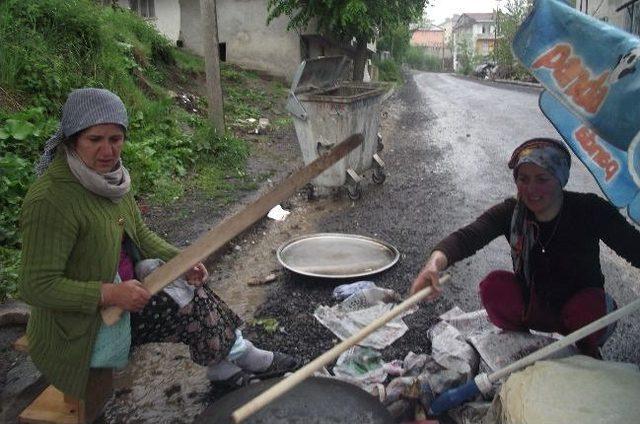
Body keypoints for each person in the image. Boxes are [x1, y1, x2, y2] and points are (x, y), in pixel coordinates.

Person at [19, 88, 296, 400]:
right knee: (187, 305)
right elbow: (35, 286)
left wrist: (183, 260)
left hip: (126, 286)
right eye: (95, 139)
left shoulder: (111, 180)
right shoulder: (52, 200)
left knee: (191, 285)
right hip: (82, 320)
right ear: (71, 139)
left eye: (115, 138)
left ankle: (229, 364)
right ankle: (237, 360)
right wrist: (110, 293)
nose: (107, 150)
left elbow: (142, 236)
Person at [411, 137, 640, 358]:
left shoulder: (590, 210)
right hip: (536, 305)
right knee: (495, 287)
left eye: (542, 178)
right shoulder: (512, 212)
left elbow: (632, 246)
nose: (531, 189)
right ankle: (522, 346)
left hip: (582, 311)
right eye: (523, 178)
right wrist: (433, 264)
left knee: (590, 308)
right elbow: (467, 237)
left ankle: (585, 351)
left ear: (560, 178)